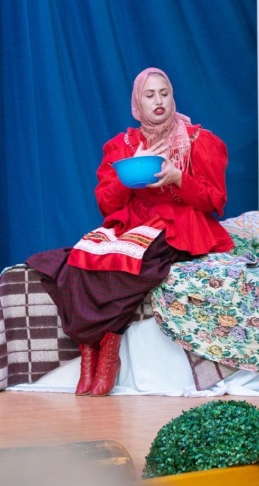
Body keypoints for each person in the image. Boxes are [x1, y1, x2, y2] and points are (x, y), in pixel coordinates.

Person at [26, 67, 233, 396]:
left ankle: (109, 349)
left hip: (178, 225)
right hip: (132, 222)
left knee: (137, 263)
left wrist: (180, 178)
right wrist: (128, 174)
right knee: (80, 259)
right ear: (137, 103)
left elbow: (215, 200)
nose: (158, 101)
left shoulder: (199, 141)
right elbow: (107, 204)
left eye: (164, 93)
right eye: (150, 95)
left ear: (173, 97)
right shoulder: (122, 146)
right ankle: (89, 350)